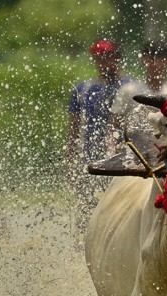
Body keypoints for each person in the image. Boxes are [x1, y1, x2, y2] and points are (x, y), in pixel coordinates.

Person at [67, 38, 133, 227]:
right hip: (90, 158)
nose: (104, 62)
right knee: (88, 209)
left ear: (118, 58)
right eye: (99, 58)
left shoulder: (130, 87)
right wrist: (70, 161)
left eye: (108, 57)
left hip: (122, 159)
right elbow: (74, 128)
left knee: (119, 211)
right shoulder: (83, 89)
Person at [111, 39, 167, 131]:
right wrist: (111, 144)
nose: (156, 63)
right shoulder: (129, 90)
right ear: (144, 60)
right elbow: (114, 126)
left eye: (161, 59)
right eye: (151, 58)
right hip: (133, 144)